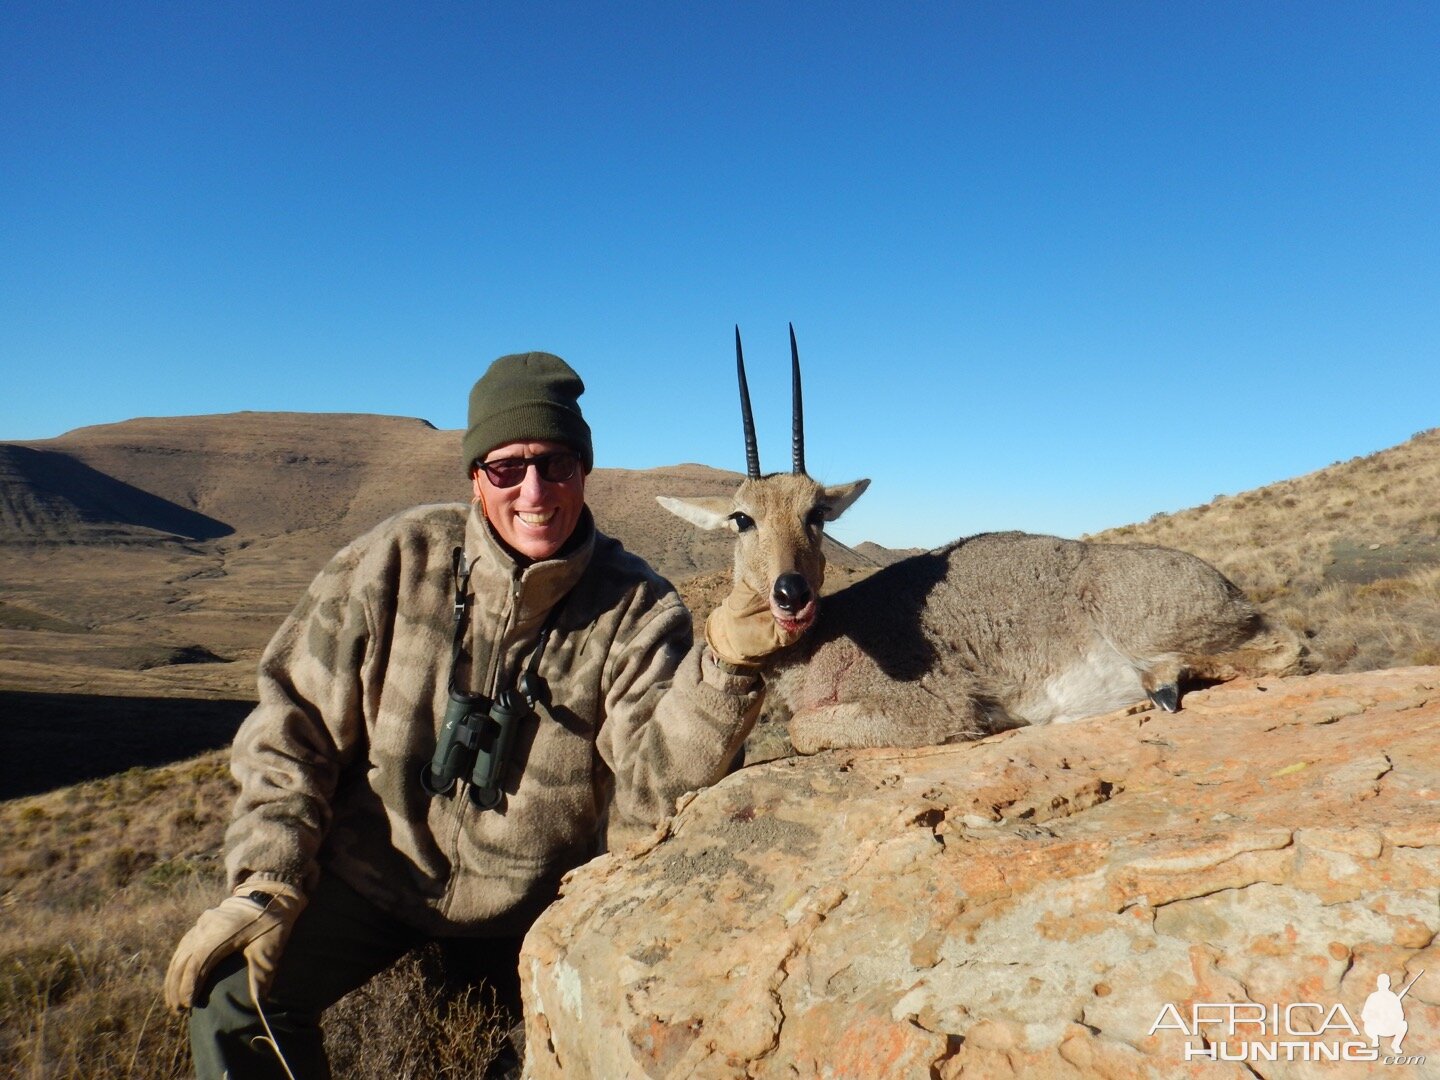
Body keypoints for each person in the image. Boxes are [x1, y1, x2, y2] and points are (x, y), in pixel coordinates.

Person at [164, 352, 791, 1079]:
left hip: (531, 904)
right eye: (507, 468)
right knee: (233, 996)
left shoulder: (639, 611)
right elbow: (290, 724)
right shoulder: (398, 558)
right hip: (373, 874)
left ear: (584, 471)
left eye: (557, 464)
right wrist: (267, 877)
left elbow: (653, 802)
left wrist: (722, 671)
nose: (535, 490)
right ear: (475, 476)